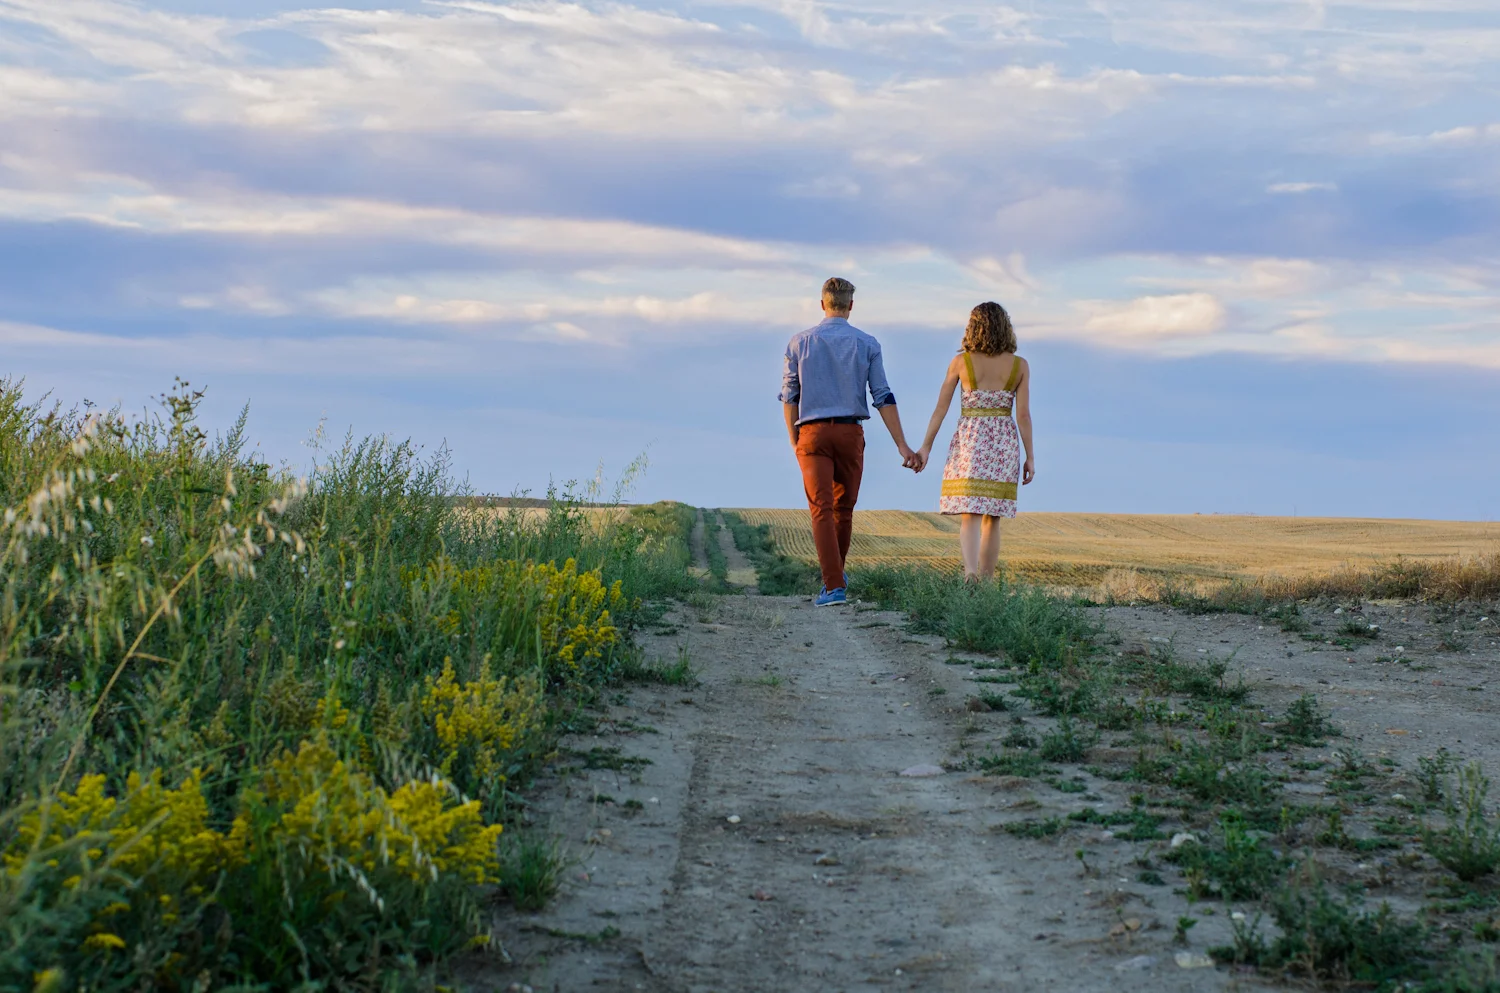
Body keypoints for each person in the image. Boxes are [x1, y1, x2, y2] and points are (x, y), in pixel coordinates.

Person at [780, 277, 921, 606]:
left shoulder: (798, 343)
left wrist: (794, 440)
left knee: (821, 510)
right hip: (850, 432)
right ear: (851, 306)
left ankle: (833, 586)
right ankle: (834, 582)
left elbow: (789, 396)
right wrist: (903, 446)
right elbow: (882, 395)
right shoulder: (867, 343)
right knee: (843, 509)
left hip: (812, 433)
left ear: (822, 303)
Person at [913, 301, 1034, 581]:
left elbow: (940, 410)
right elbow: (1024, 415)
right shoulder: (1020, 366)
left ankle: (969, 574)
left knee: (970, 514)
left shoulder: (960, 363)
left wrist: (926, 447)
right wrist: (1030, 456)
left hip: (971, 442)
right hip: (1004, 443)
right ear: (1006, 327)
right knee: (993, 518)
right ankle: (987, 581)